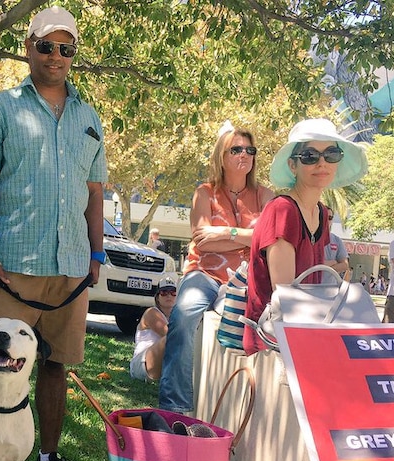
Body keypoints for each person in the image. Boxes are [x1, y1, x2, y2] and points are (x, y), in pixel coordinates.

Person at [0, 6, 107, 461]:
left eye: (65, 48)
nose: (55, 56)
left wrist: (96, 255)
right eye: (46, 46)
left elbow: (94, 194)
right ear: (29, 47)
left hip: (71, 266)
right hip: (11, 266)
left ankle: (47, 458)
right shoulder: (2, 107)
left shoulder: (89, 118)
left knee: (55, 365)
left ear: (73, 55)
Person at [158, 121, 273, 413]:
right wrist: (246, 239)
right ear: (221, 156)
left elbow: (267, 239)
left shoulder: (265, 196)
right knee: (183, 316)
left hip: (246, 279)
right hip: (205, 274)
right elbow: (202, 241)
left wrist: (225, 233)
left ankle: (234, 410)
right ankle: (175, 408)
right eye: (236, 149)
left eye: (250, 149)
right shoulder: (204, 193)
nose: (244, 155)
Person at [243, 118, 368, 355]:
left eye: (331, 154)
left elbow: (317, 279)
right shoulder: (283, 209)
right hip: (272, 339)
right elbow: (286, 294)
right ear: (293, 165)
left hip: (306, 330)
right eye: (310, 156)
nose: (322, 163)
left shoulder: (321, 212)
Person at [130, 277, 177, 381]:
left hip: (162, 364)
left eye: (173, 292)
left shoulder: (177, 316)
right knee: (172, 337)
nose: (169, 295)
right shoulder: (152, 313)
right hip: (142, 363)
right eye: (164, 292)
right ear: (157, 297)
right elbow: (172, 335)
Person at [323, 207, 349, 279]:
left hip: (331, 286)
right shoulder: (308, 238)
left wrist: (324, 267)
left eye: (330, 218)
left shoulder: (337, 240)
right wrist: (333, 262)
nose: (327, 220)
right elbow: (309, 265)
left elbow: (345, 265)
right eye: (324, 217)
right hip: (310, 286)